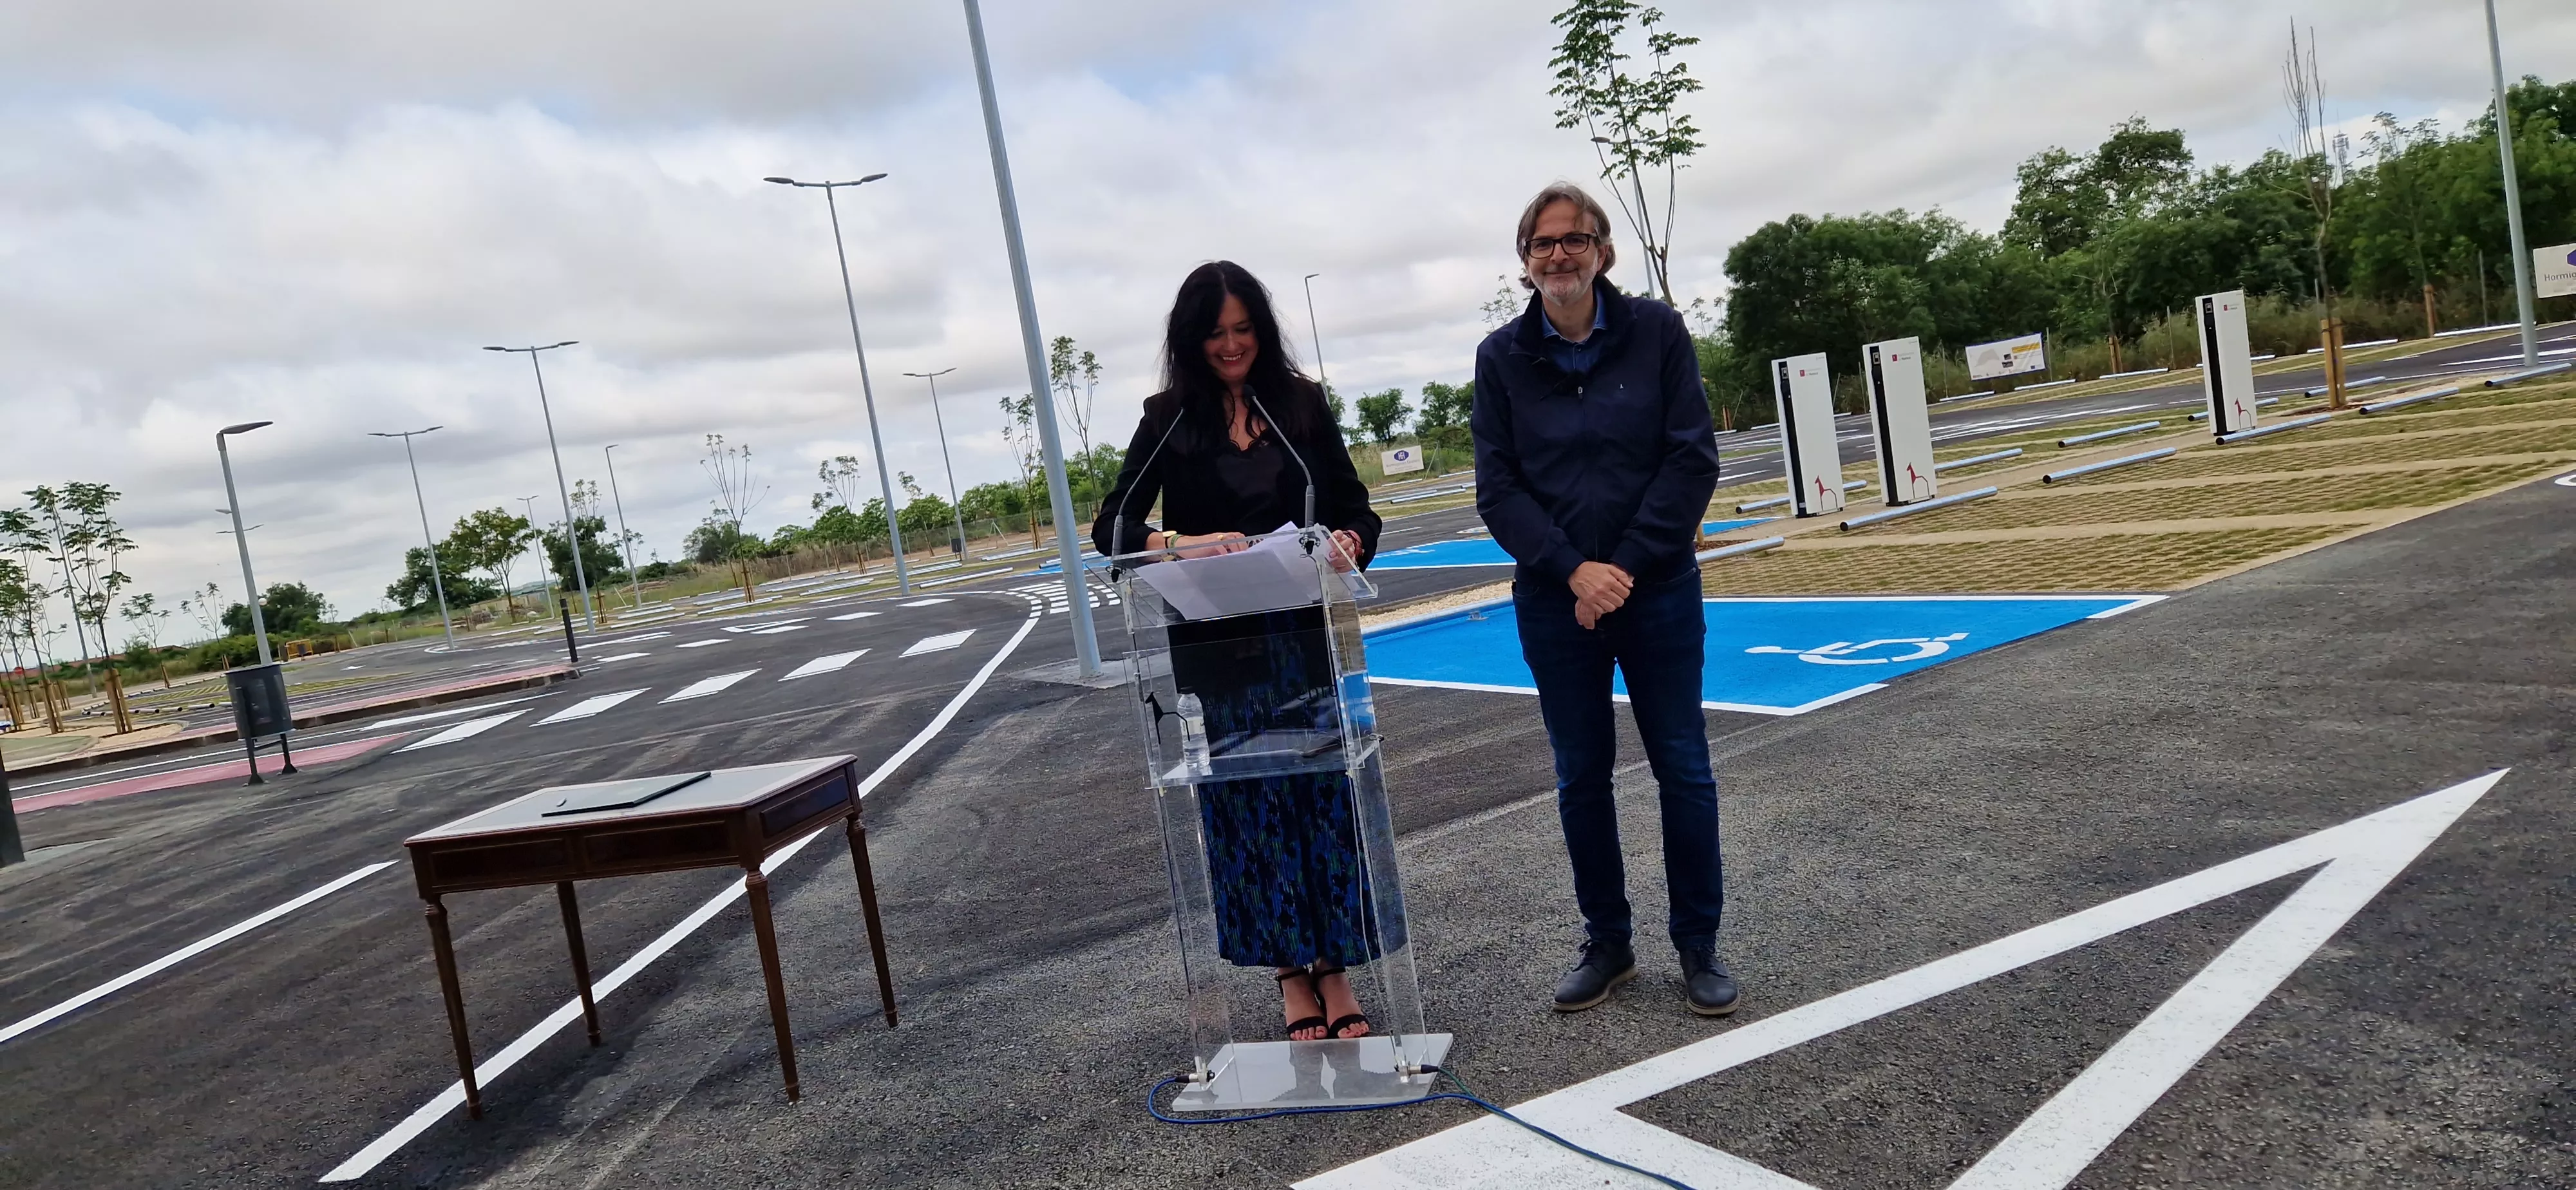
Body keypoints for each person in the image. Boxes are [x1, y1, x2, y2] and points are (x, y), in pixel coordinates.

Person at [1093, 260, 1383, 1041]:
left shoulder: (1300, 405)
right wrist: (1176, 544)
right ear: (1192, 339)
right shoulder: (1167, 417)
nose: (1231, 346)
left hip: (1301, 643)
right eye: (1216, 333)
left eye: (1243, 329)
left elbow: (1356, 510)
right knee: (1248, 816)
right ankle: (1290, 975)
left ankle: (1336, 965)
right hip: (1217, 657)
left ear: (1262, 328)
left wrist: (1352, 539)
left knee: (1319, 803)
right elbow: (1112, 528)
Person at [1470, 182, 1736, 1017]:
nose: (1558, 255)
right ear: (1525, 263)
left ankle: (1698, 946)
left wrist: (1619, 566)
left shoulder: (1655, 333)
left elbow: (1690, 457)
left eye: (1573, 240)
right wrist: (1573, 572)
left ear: (1603, 251)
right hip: (1557, 603)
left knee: (1683, 769)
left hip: (1656, 590)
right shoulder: (1501, 358)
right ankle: (1609, 944)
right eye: (1542, 244)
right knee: (1581, 777)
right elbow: (1498, 487)